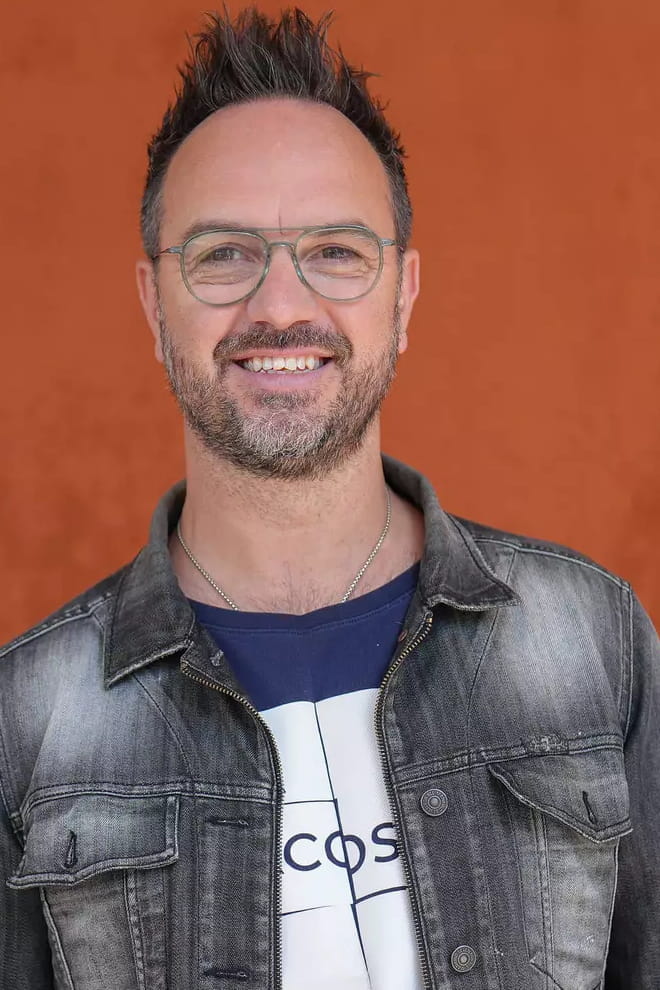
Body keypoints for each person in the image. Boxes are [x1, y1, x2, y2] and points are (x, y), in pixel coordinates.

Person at [0, 8, 657, 989]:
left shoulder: (589, 639)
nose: (280, 305)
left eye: (337, 251)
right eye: (222, 253)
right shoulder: (30, 714)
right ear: (152, 303)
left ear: (404, 294)